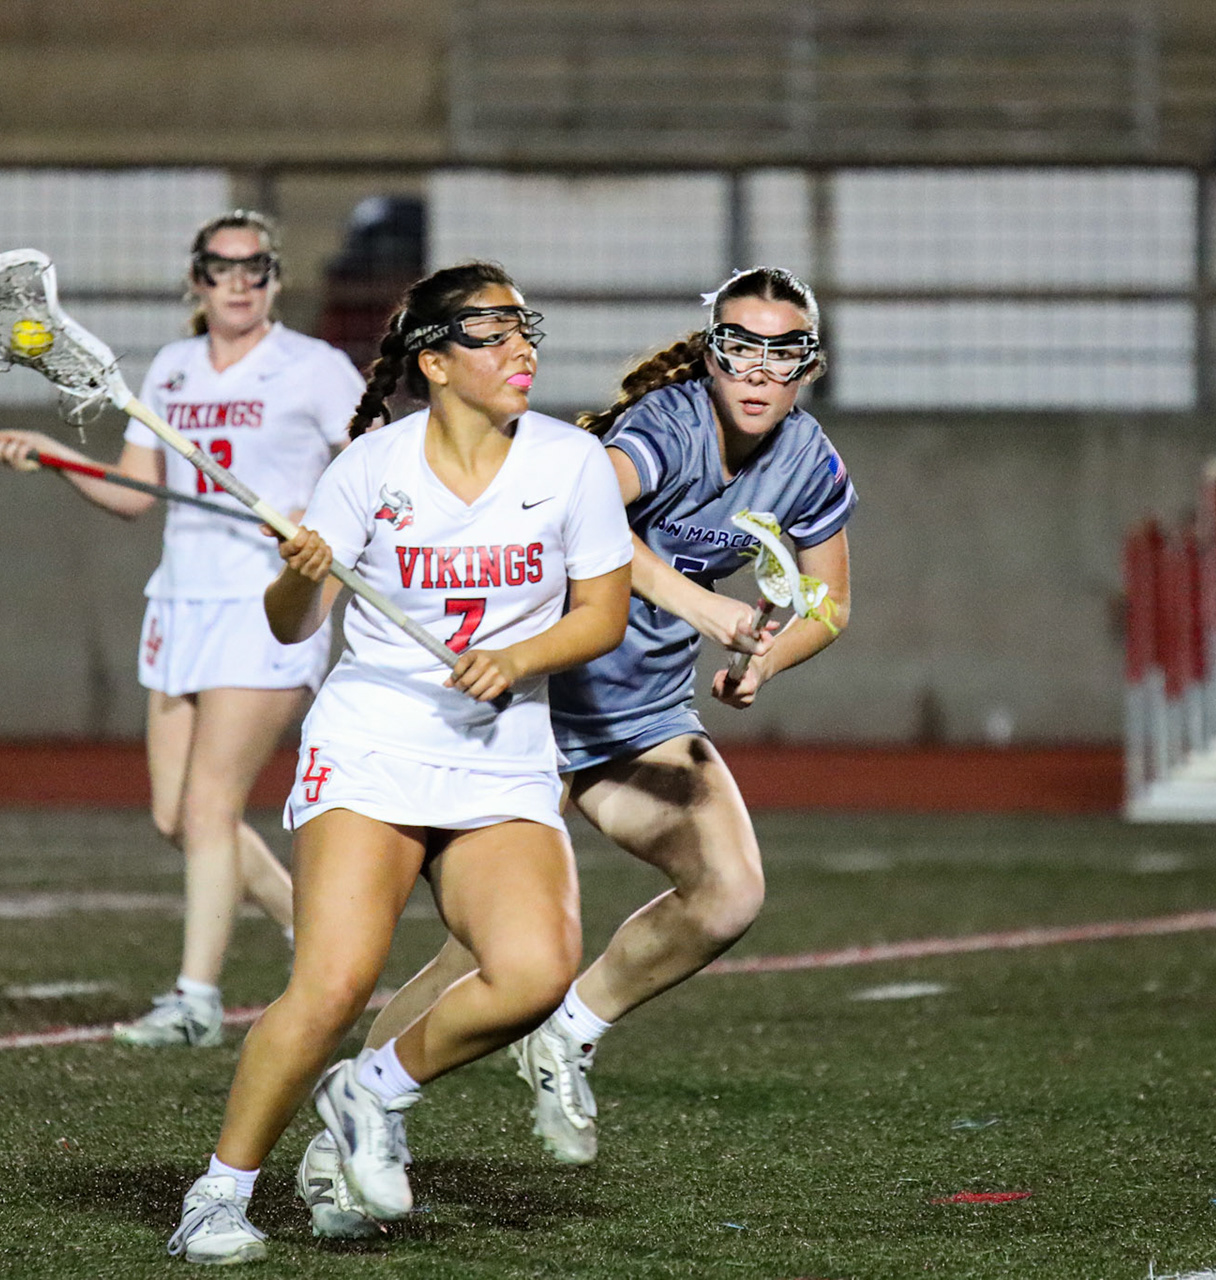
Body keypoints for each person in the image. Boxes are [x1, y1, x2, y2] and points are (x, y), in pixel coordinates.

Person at [295, 266, 856, 1233]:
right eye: (740, 348)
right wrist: (703, 605)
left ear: (810, 363)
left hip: (644, 713)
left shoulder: (809, 459)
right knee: (483, 955)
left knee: (729, 894)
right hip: (544, 704)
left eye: (784, 352)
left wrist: (769, 658)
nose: (761, 371)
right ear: (711, 353)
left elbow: (831, 601)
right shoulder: (666, 427)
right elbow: (581, 509)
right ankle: (354, 1122)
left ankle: (570, 1029)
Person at [165, 261, 634, 1264]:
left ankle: (371, 1090)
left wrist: (519, 657)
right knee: (333, 985)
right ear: (435, 361)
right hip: (371, 745)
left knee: (536, 973)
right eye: (493, 332)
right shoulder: (370, 467)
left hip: (500, 756)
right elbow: (290, 623)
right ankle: (218, 1194)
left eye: (525, 327)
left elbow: (603, 614)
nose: (521, 348)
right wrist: (300, 575)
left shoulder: (572, 462)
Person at [0, 210, 362, 1048]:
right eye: (221, 267)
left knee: (212, 805)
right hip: (181, 603)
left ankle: (195, 1001)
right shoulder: (173, 369)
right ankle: (323, 937)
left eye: (255, 267)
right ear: (197, 279)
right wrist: (52, 453)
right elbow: (132, 492)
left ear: (274, 278)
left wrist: (319, 525)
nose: (238, 282)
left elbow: (372, 468)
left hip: (265, 605)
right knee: (176, 818)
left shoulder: (316, 369)